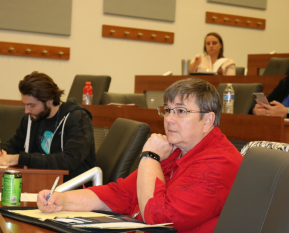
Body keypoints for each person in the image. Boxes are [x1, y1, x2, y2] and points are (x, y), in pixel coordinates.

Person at [36, 78, 243, 233]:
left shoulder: (220, 162)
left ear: (208, 120)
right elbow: (121, 194)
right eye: (168, 110)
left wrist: (150, 157)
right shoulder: (176, 150)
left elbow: (159, 218)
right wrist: (63, 200)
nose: (169, 119)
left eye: (181, 111)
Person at [0, 71, 96, 182]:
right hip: (41, 183)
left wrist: (20, 158)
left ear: (49, 101)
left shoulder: (78, 118)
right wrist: (1, 151)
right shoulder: (32, 118)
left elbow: (70, 160)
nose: (26, 110)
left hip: (73, 188)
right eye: (25, 104)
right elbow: (15, 145)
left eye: (32, 105)